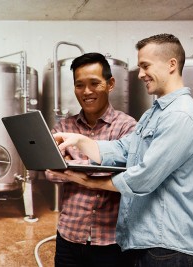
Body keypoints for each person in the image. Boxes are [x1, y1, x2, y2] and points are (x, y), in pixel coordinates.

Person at [47, 34, 193, 267]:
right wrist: (79, 140)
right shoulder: (156, 113)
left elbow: (144, 177)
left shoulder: (180, 116)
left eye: (145, 66)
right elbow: (123, 148)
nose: (140, 74)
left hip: (167, 246)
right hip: (144, 241)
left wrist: (90, 182)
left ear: (172, 64)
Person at [45, 52, 136, 267]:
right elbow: (50, 172)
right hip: (69, 234)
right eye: (79, 85)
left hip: (111, 240)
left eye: (94, 83)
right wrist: (103, 167)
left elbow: (130, 174)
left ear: (110, 83)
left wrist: (72, 168)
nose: (86, 92)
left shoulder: (127, 126)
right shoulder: (64, 127)